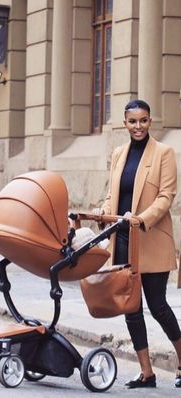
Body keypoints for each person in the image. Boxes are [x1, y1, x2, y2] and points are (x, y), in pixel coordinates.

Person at [94, 99, 181, 388]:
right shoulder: (119, 154)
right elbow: (112, 195)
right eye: (133, 121)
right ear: (125, 123)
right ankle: (147, 372)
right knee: (131, 307)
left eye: (143, 120)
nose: (138, 126)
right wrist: (103, 213)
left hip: (151, 237)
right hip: (123, 240)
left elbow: (166, 196)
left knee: (158, 306)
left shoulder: (164, 153)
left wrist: (140, 218)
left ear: (150, 121)